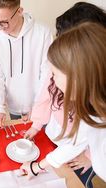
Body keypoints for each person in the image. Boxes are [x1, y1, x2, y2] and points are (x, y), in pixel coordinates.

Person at [23, 2, 106, 186]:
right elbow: (74, 143)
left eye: (55, 74)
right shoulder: (93, 109)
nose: (52, 81)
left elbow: (75, 143)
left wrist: (37, 167)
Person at [0, 0, 53, 126]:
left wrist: (38, 106)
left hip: (41, 105)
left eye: (4, 22)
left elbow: (47, 74)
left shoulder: (43, 33)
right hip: (14, 108)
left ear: (20, 11)